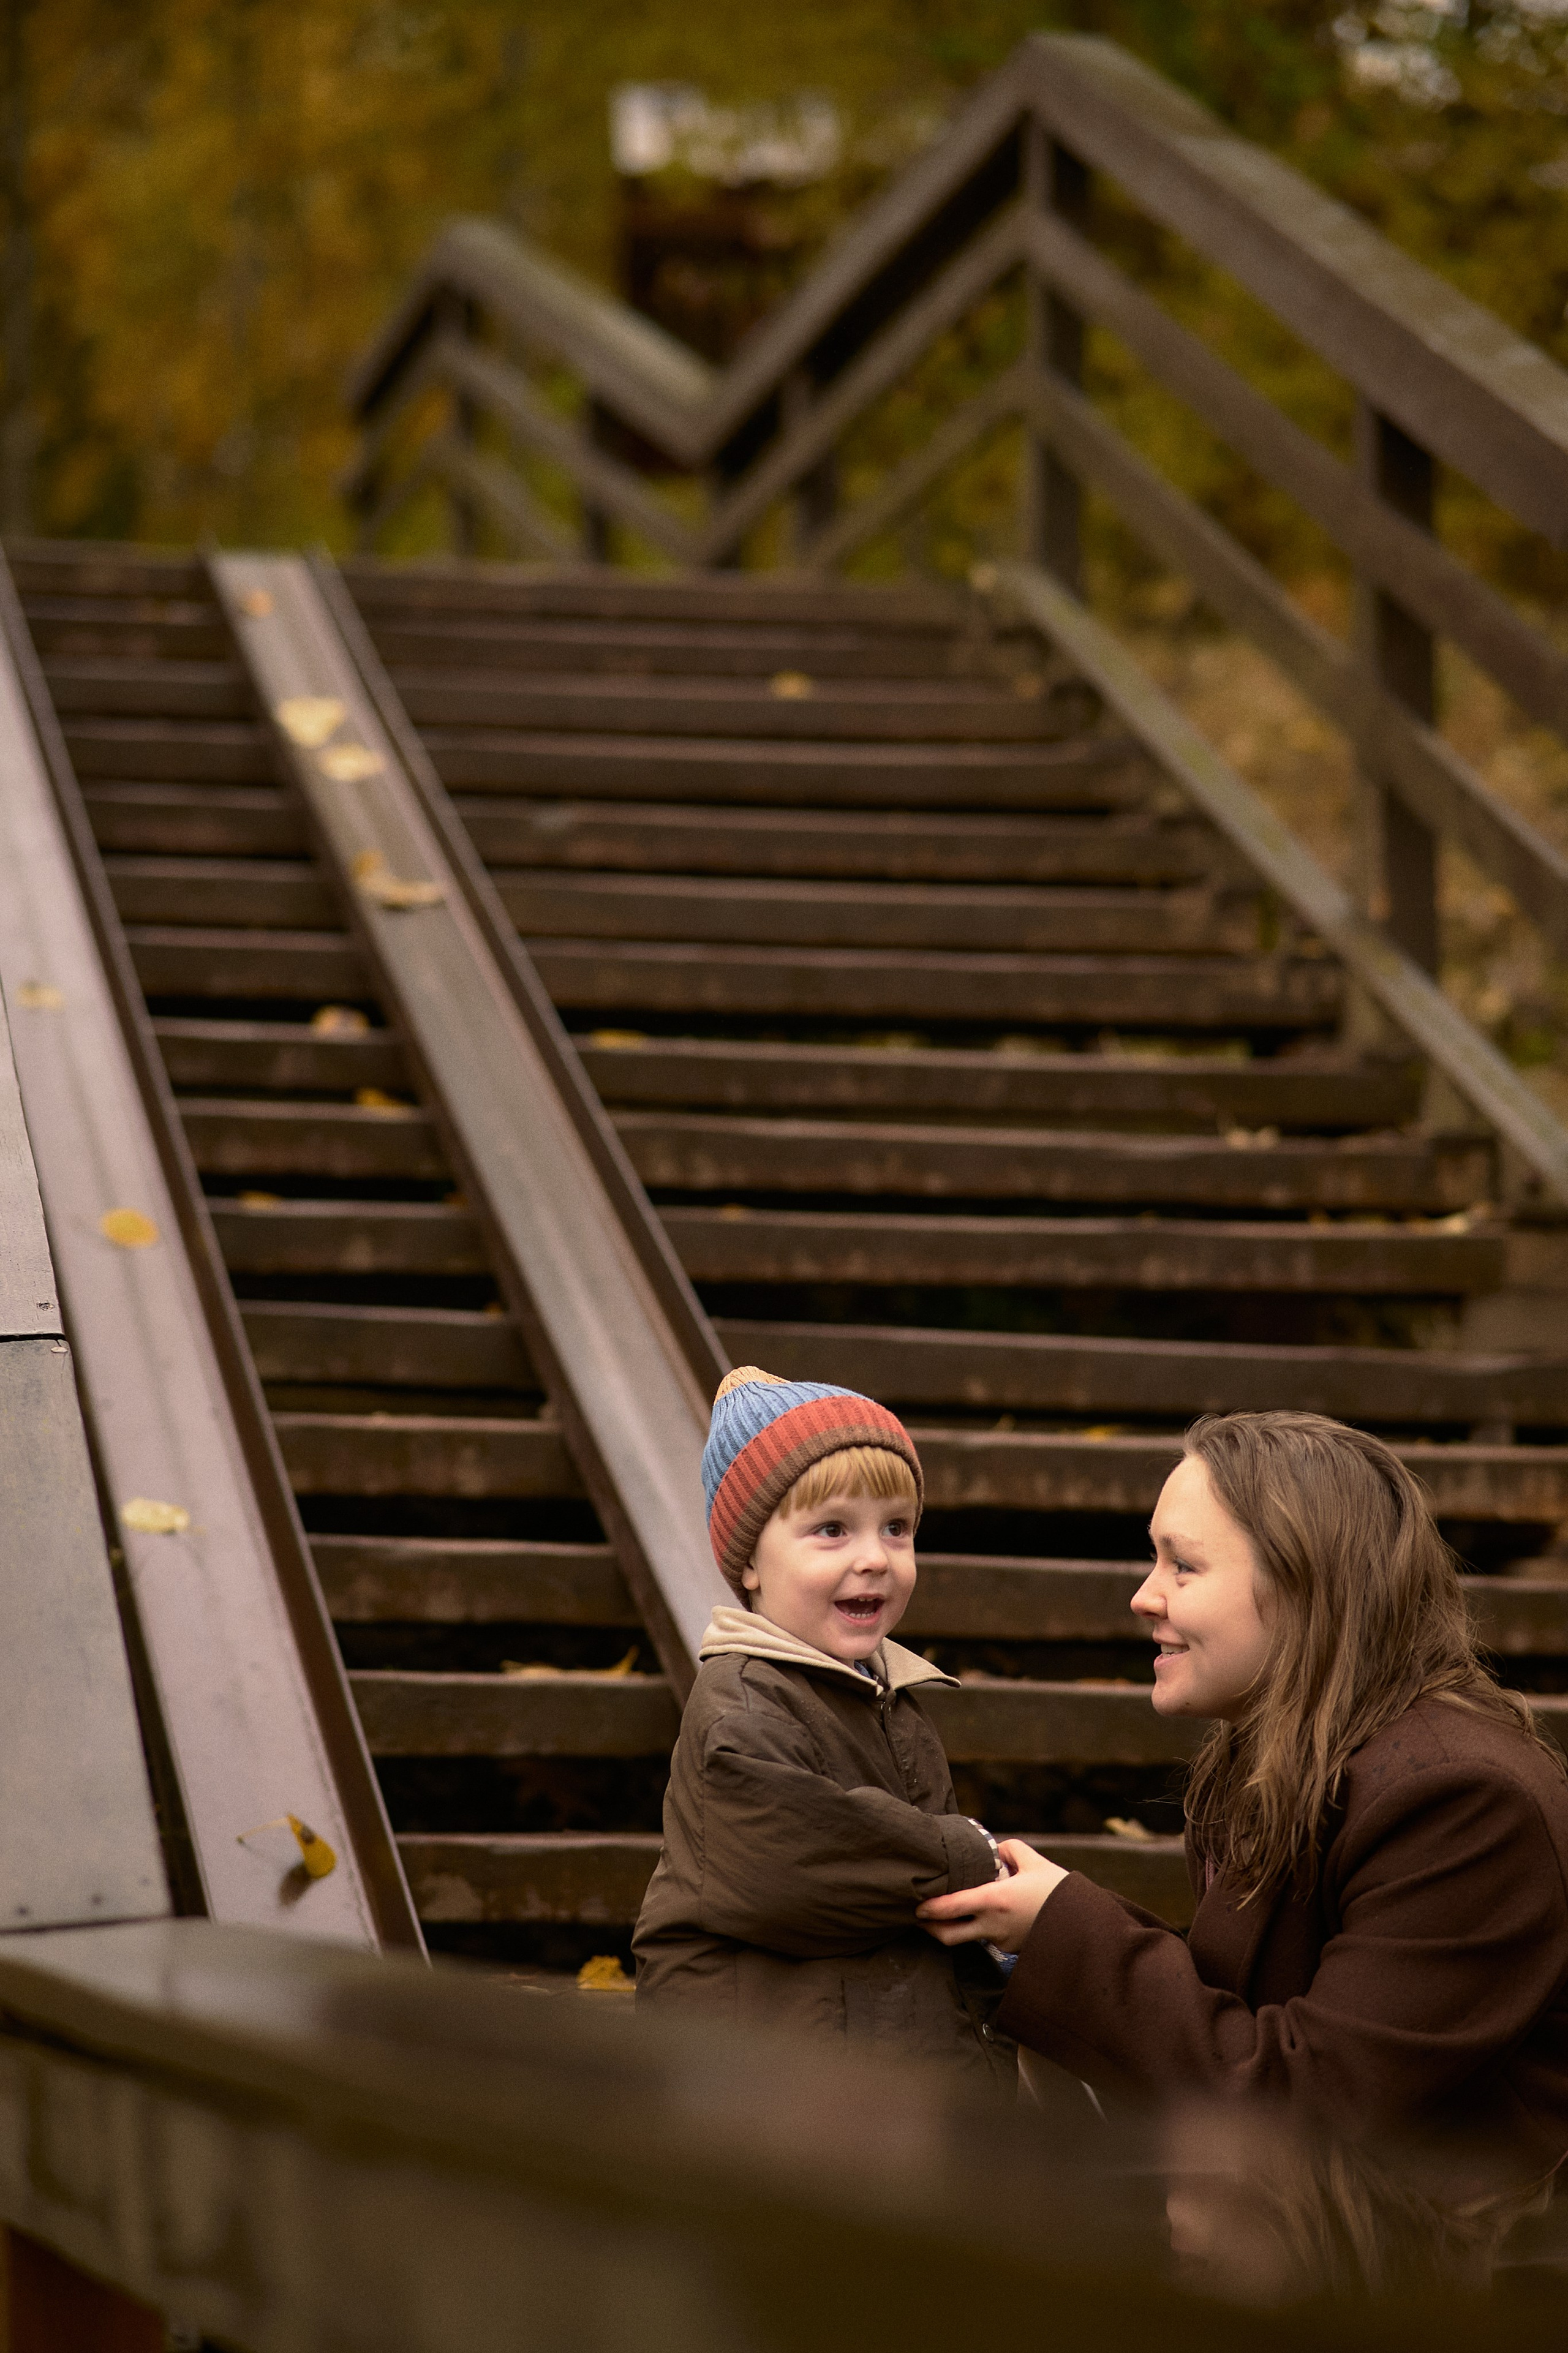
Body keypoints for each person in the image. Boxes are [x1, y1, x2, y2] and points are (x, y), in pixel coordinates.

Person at [916, 1409, 1568, 2204]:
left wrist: (1064, 1929)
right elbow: (1238, 2014)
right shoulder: (1279, 1757)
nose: (1142, 1595)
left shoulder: (1461, 1801)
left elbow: (1303, 2102)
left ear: (1303, 1585)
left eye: (1181, 1566)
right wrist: (1045, 1921)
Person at [633, 1365, 1013, 2086]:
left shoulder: (883, 1692)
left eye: (896, 1528)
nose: (874, 1556)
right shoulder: (742, 1700)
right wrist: (972, 1860)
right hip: (770, 2088)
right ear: (747, 1561)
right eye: (832, 1528)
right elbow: (798, 1860)